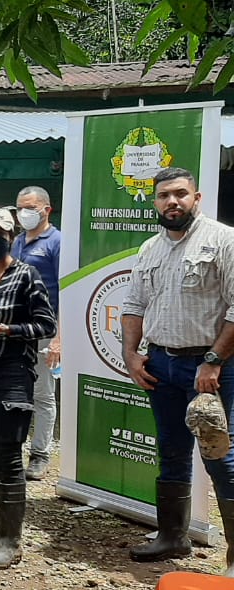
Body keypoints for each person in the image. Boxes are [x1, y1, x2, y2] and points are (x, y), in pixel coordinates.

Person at [121, 167, 234, 573]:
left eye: (181, 194)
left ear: (197, 198)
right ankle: (172, 538)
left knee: (221, 457)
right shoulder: (150, 247)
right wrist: (131, 354)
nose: (172, 202)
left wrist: (214, 360)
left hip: (210, 367)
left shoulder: (224, 240)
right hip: (161, 364)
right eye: (164, 195)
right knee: (170, 450)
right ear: (154, 202)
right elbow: (133, 305)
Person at [0, 207, 56, 569]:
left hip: (13, 373)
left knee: (10, 455)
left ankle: (12, 541)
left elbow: (45, 325)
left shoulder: (26, 275)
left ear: (12, 235)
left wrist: (4, 330)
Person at [11, 186, 62, 481]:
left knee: (43, 393)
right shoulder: (17, 241)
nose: (23, 214)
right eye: (20, 207)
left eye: (30, 208)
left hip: (46, 327)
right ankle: (13, 448)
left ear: (46, 210)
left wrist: (59, 338)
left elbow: (67, 289)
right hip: (19, 328)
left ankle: (40, 453)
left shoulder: (57, 242)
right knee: (19, 390)